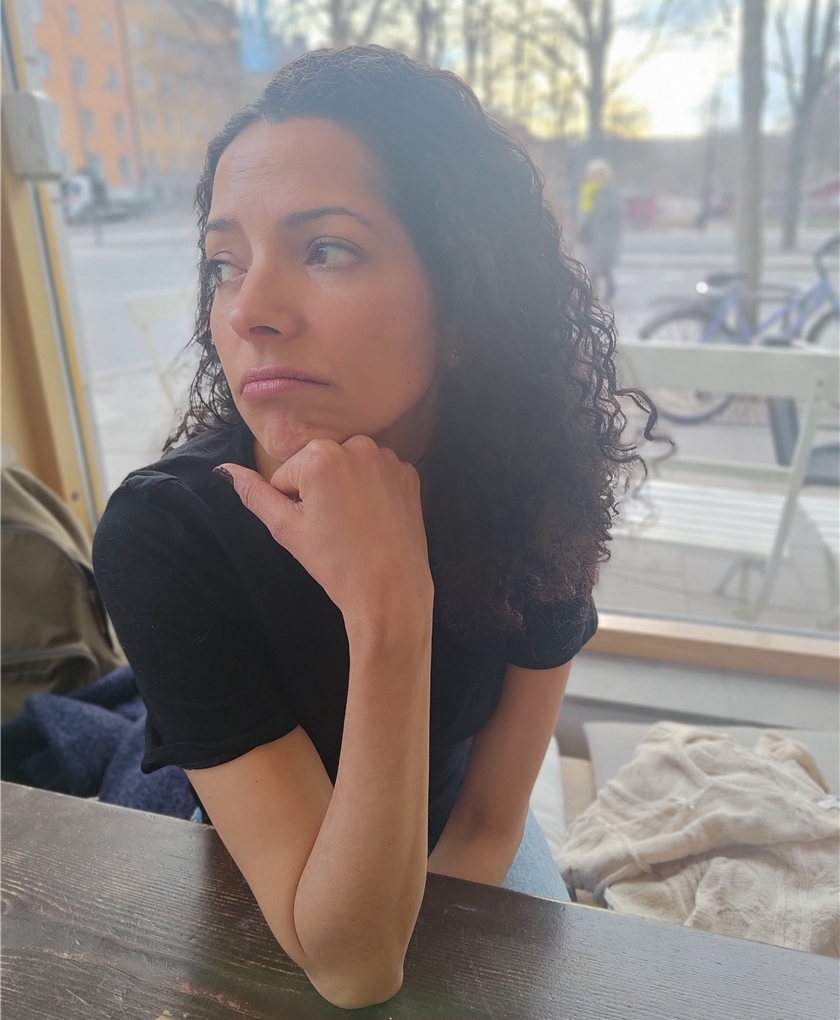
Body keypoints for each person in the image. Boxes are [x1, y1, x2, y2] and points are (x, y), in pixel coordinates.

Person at [93, 47, 652, 1009]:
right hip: (248, 850)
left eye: (326, 249)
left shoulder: (534, 491)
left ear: (465, 303)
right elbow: (349, 965)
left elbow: (489, 820)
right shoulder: (168, 535)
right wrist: (388, 613)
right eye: (225, 263)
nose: (250, 311)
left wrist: (405, 930)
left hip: (454, 846)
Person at [578, 158, 622, 302]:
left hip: (602, 235)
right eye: (592, 173)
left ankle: (598, 293)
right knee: (591, 265)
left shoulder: (609, 191)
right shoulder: (588, 190)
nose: (594, 176)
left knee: (599, 265)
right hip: (588, 234)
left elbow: (614, 214)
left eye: (598, 173)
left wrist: (607, 231)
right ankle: (594, 293)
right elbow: (584, 212)